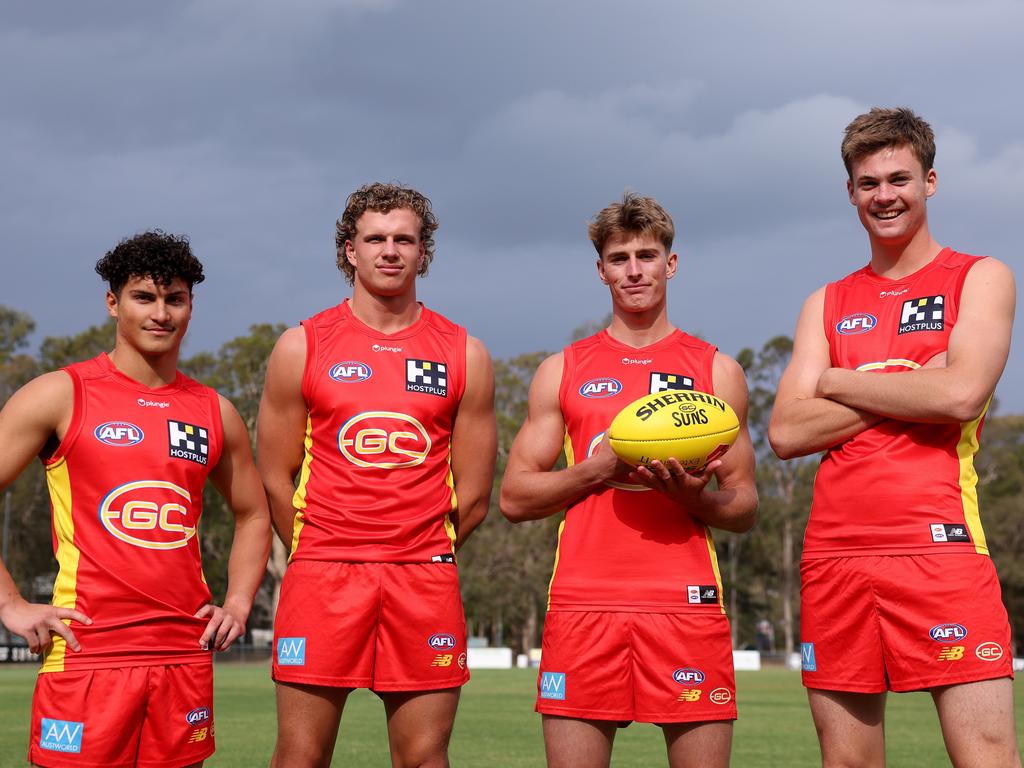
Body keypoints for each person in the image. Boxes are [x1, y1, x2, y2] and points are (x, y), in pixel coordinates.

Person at [769, 107, 1020, 767]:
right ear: (851, 192)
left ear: (930, 181)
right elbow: (787, 430)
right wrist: (908, 382)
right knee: (847, 761)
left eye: (899, 178)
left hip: (939, 549)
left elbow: (961, 395)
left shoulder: (979, 277)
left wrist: (836, 380)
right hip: (835, 558)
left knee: (986, 754)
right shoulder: (824, 302)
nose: (885, 195)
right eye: (868, 182)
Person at [500, 193, 758, 768]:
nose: (634, 270)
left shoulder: (716, 371)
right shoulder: (562, 370)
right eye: (620, 258)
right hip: (582, 604)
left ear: (672, 262)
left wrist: (695, 499)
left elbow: (744, 505)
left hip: (686, 605)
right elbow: (514, 498)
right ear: (601, 270)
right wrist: (600, 468)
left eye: (647, 254)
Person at [0, 231, 271, 768]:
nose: (161, 313)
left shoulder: (213, 411)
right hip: (86, 655)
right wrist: (10, 603)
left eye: (175, 298)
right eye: (144, 297)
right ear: (113, 303)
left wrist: (238, 602)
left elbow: (254, 512)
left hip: (182, 656)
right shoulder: (60, 393)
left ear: (191, 304)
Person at [259, 182, 496, 768]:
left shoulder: (464, 352)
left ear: (423, 253)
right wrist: (317, 549)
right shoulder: (301, 345)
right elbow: (273, 475)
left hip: (423, 579)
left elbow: (474, 493)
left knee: (423, 757)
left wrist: (417, 549)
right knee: (300, 755)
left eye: (404, 240)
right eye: (375, 239)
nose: (390, 251)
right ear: (350, 251)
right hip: (323, 577)